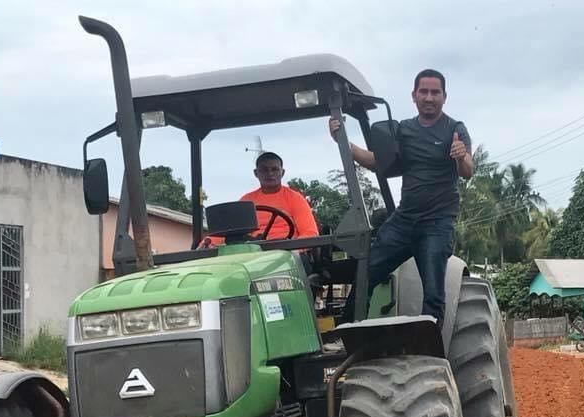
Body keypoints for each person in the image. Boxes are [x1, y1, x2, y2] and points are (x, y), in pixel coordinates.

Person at [329, 68, 473, 324]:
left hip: (436, 224)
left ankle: (431, 351)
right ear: (414, 95)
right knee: (366, 272)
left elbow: (468, 171)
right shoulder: (404, 130)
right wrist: (343, 142)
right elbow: (376, 162)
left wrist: (461, 155)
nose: (429, 97)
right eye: (424, 92)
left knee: (433, 294)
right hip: (403, 221)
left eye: (435, 92)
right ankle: (347, 331)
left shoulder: (455, 129)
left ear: (444, 96)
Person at [203, 151, 318, 246]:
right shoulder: (246, 200)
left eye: (274, 169)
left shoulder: (294, 198)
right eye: (264, 170)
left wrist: (296, 249)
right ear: (256, 173)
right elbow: (230, 229)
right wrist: (208, 242)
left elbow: (310, 232)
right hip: (253, 252)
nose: (270, 173)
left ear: (282, 173)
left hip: (287, 251)